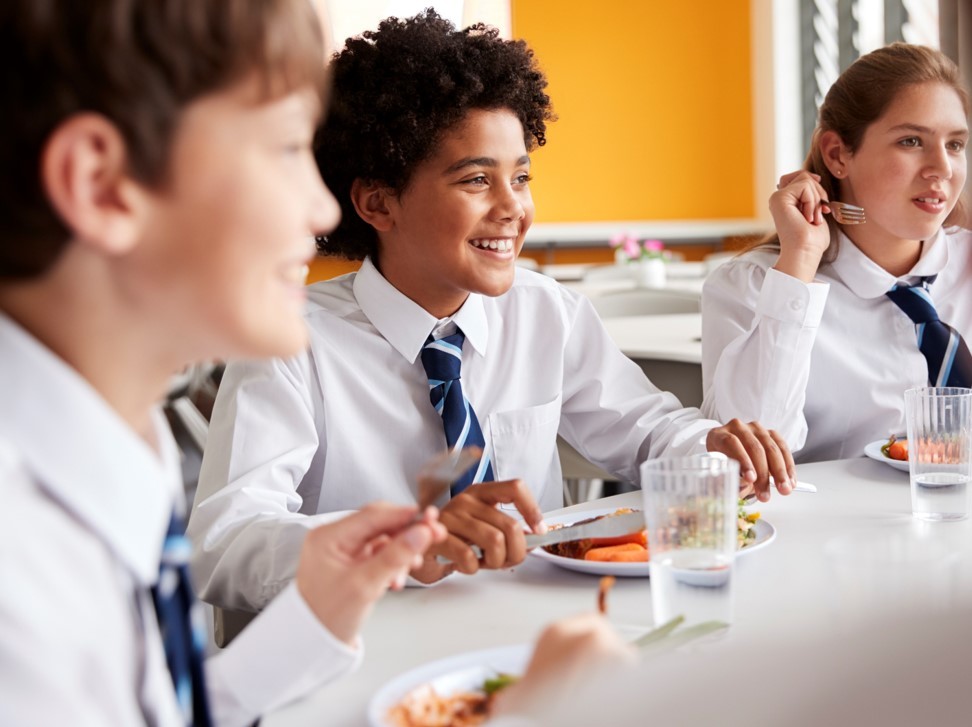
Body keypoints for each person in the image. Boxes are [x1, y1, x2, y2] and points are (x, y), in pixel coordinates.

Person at [188, 9, 795, 615]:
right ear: (378, 202)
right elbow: (224, 543)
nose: (514, 209)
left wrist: (707, 442)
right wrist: (403, 540)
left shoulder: (546, 315)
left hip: (535, 630)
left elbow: (648, 432)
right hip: (365, 651)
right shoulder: (291, 344)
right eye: (477, 179)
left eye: (521, 177)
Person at [0, 2, 449, 725]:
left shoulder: (116, 445)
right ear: (101, 185)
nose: (323, 208)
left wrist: (317, 617)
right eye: (284, 148)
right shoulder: (18, 574)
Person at [700, 43, 970, 463]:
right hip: (824, 527)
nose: (942, 168)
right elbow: (748, 460)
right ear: (837, 154)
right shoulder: (753, 285)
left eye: (955, 144)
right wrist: (799, 264)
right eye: (912, 140)